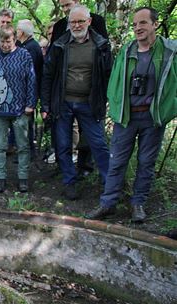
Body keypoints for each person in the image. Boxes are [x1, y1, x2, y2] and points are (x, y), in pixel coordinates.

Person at [86, 7, 177, 223]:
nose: (138, 28)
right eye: (135, 24)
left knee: (146, 162)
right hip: (126, 116)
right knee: (117, 161)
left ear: (155, 24)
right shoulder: (127, 51)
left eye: (143, 23)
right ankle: (108, 204)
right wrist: (115, 107)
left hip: (152, 118)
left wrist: (169, 110)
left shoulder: (169, 53)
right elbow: (115, 83)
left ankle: (138, 204)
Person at [41, 5, 112, 200]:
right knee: (63, 145)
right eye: (73, 21)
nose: (77, 25)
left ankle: (109, 185)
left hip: (90, 104)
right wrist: (45, 105)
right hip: (63, 103)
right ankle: (69, 182)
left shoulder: (101, 45)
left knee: (98, 144)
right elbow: (48, 75)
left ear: (89, 21)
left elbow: (108, 75)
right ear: (68, 23)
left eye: (81, 21)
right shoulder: (60, 45)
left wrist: (107, 100)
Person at [0, 25, 36, 193]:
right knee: (0, 145)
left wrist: (30, 104)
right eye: (2, 41)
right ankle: (0, 177)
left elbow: (31, 80)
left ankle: (23, 178)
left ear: (14, 39)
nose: (5, 44)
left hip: (20, 109)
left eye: (8, 41)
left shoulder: (24, 56)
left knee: (22, 145)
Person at [16, 19, 44, 158]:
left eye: (17, 30)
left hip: (28, 92)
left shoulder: (31, 47)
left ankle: (28, 153)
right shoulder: (27, 45)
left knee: (26, 122)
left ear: (21, 32)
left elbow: (29, 73)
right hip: (25, 91)